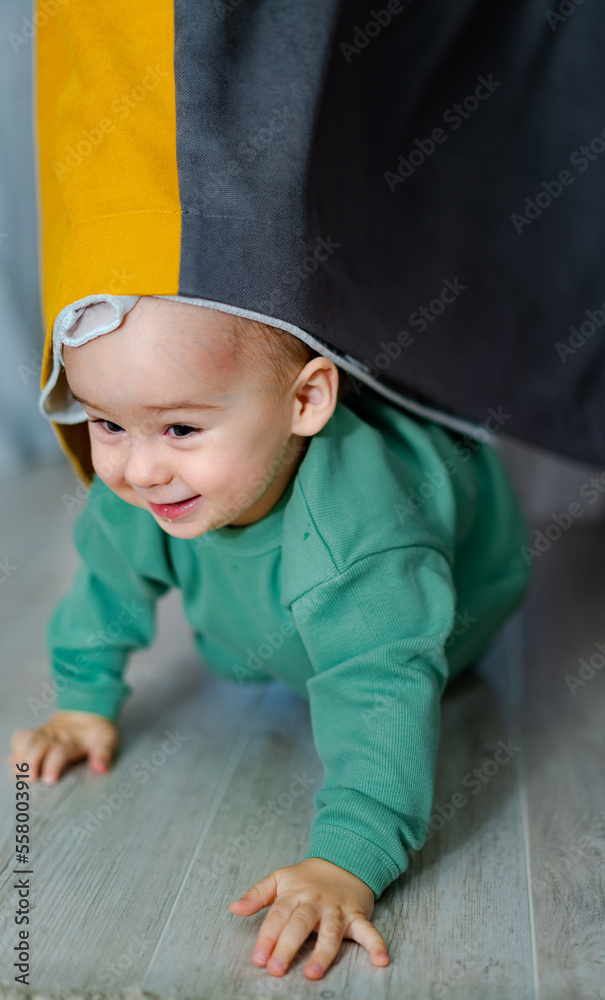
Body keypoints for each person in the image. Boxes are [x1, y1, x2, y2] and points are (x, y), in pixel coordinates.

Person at [8, 293, 533, 981]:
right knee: (214, 597)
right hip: (284, 585)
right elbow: (107, 584)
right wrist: (81, 700)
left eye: (180, 430)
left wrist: (346, 859)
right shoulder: (147, 488)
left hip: (456, 598)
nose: (138, 470)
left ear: (307, 400)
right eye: (106, 423)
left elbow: (382, 697)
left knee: (377, 646)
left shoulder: (364, 544)